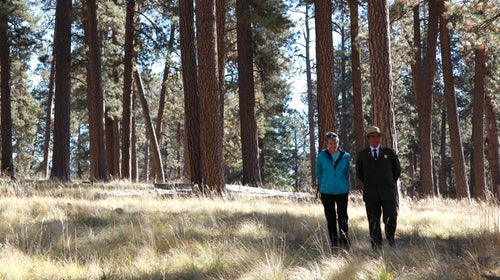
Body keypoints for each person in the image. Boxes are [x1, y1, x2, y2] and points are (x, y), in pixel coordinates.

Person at [356, 125, 401, 248]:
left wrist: (389, 182)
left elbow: (397, 170)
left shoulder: (389, 152)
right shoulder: (362, 155)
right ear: (368, 138)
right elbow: (360, 173)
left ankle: (391, 241)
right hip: (371, 193)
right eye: (373, 137)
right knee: (373, 221)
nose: (376, 139)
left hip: (388, 192)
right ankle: (376, 247)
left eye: (378, 136)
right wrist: (371, 183)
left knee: (391, 217)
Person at [316, 132, 351, 250]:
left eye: (335, 142)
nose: (333, 145)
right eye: (331, 143)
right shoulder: (321, 156)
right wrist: (324, 184)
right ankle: (334, 243)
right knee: (330, 218)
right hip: (327, 192)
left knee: (343, 216)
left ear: (338, 142)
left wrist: (342, 183)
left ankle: (344, 241)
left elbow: (346, 173)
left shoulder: (345, 156)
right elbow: (319, 173)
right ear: (327, 144)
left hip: (342, 191)